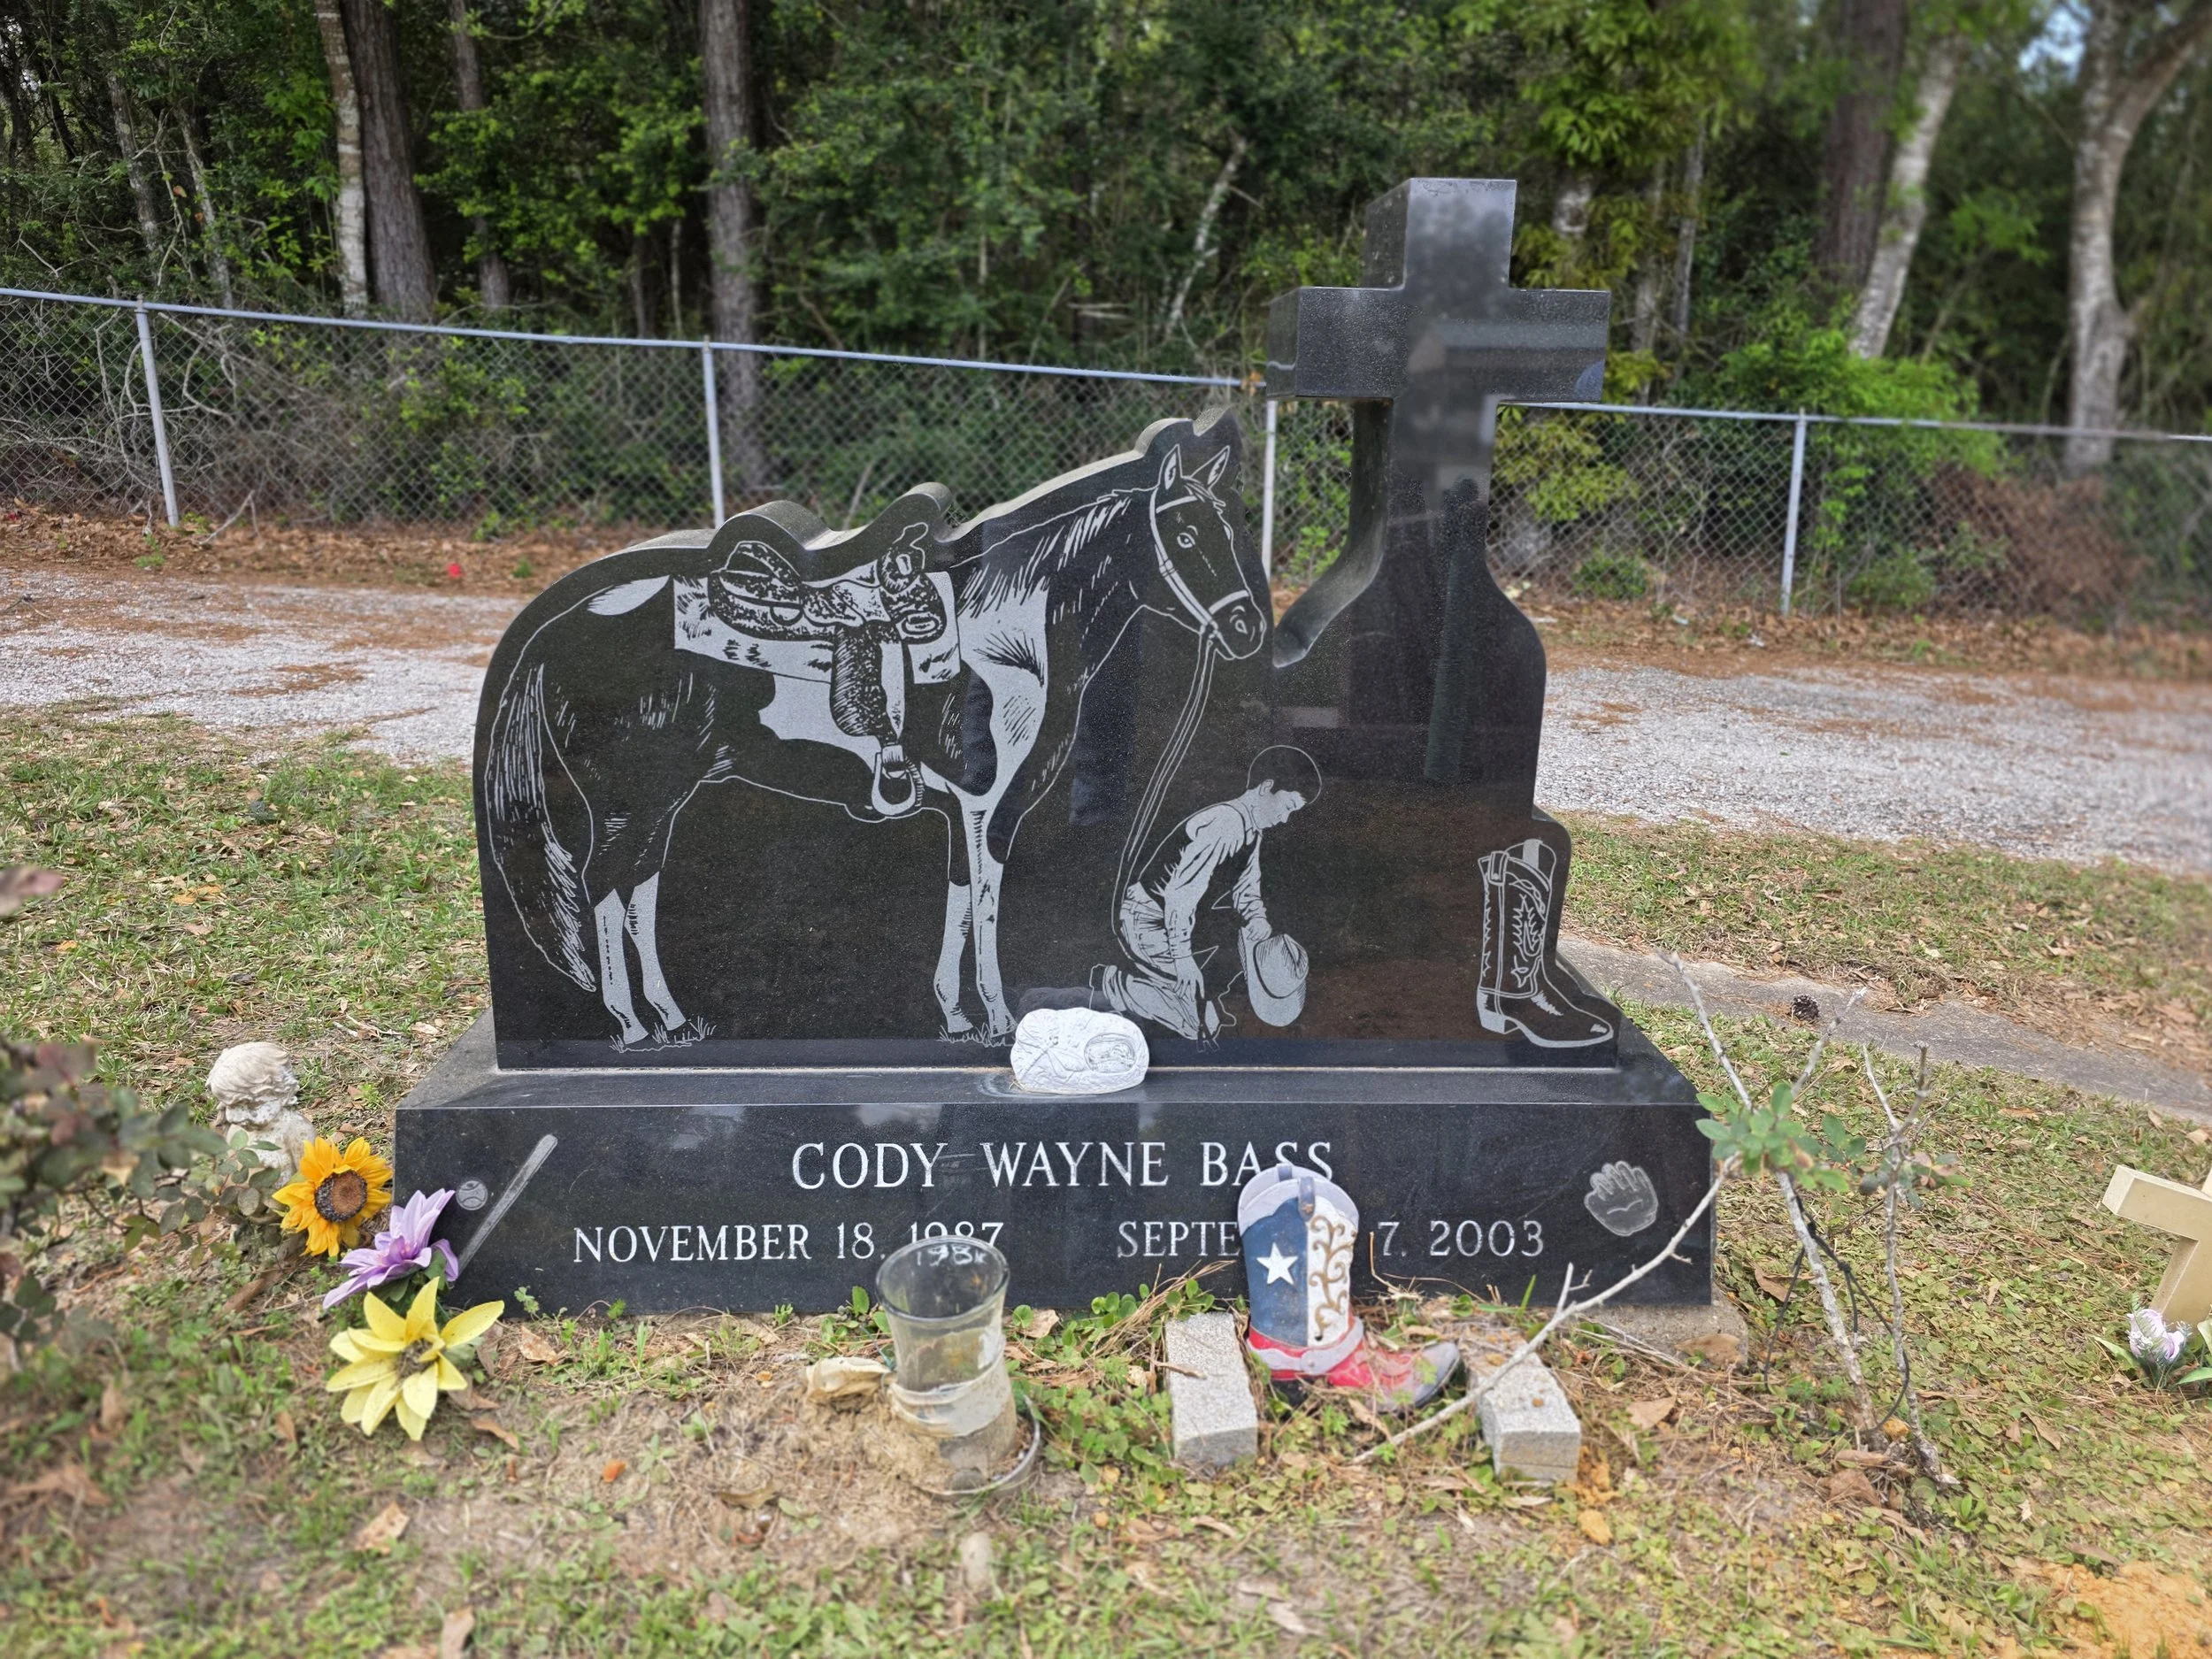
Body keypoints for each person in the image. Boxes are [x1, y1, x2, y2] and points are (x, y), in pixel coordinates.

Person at [1094, 747, 1319, 1039]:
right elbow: (1181, 894)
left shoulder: (1252, 832)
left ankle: (1200, 996)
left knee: (1241, 936)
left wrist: (1257, 921)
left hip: (1183, 920)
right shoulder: (1226, 824)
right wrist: (1183, 959)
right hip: (1148, 919)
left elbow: (1247, 890)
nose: (1285, 819)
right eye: (1287, 806)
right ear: (1266, 788)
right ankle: (1116, 985)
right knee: (1200, 1028)